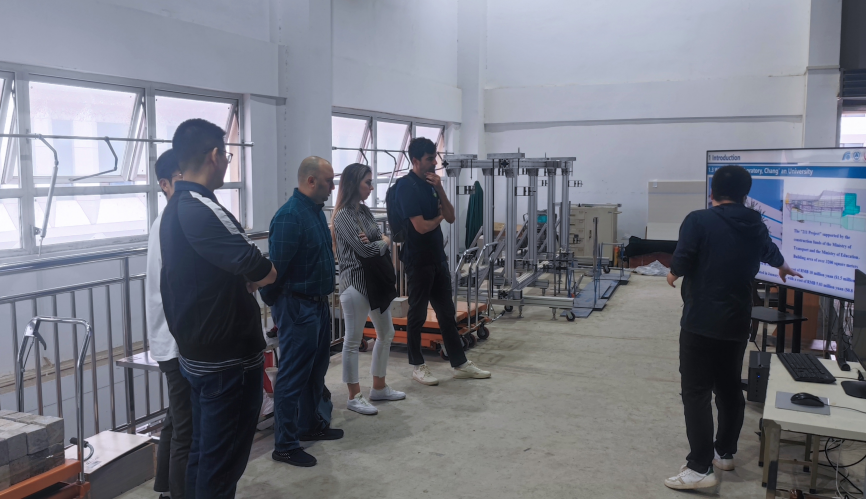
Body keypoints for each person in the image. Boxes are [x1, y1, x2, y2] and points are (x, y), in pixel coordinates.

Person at [664, 165, 802, 490]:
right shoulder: (755, 223)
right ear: (745, 194)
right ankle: (724, 452)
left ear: (713, 192)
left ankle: (699, 468)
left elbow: (684, 257)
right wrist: (782, 266)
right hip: (738, 319)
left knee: (696, 391)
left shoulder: (698, 220)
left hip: (700, 320)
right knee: (727, 387)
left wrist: (672, 274)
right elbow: (769, 251)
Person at [160, 119, 277, 499]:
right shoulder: (200, 207)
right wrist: (263, 273)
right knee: (222, 463)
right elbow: (260, 268)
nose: (228, 162)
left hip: (200, 352)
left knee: (203, 454)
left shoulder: (175, 207)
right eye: (227, 155)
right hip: (227, 360)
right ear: (214, 156)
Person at [260, 156, 343, 468]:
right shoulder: (289, 217)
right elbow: (274, 273)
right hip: (297, 306)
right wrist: (281, 309)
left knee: (315, 370)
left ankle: (310, 424)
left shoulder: (315, 212)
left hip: (316, 305)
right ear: (311, 181)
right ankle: (285, 445)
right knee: (293, 376)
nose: (332, 187)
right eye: (328, 181)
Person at [394, 137, 491, 385]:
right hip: (418, 260)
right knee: (417, 313)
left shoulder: (432, 184)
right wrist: (437, 218)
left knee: (447, 313)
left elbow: (451, 217)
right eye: (430, 159)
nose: (434, 163)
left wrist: (440, 190)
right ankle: (417, 365)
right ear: (415, 161)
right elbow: (421, 227)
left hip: (437, 257)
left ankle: (459, 364)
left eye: (435, 158)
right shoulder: (406, 187)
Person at [332, 163, 405, 415]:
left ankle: (379, 387)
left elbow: (381, 238)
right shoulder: (343, 216)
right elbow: (365, 250)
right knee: (353, 340)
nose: (371, 187)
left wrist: (381, 240)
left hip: (375, 282)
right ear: (354, 184)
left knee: (387, 333)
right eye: (367, 182)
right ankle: (354, 396)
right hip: (355, 284)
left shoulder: (363, 211)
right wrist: (382, 242)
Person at [146, 149, 191, 499]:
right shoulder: (171, 224)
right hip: (176, 340)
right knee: (186, 428)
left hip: (171, 337)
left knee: (176, 420)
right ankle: (178, 494)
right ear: (164, 184)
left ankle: (165, 489)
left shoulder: (171, 219)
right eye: (180, 179)